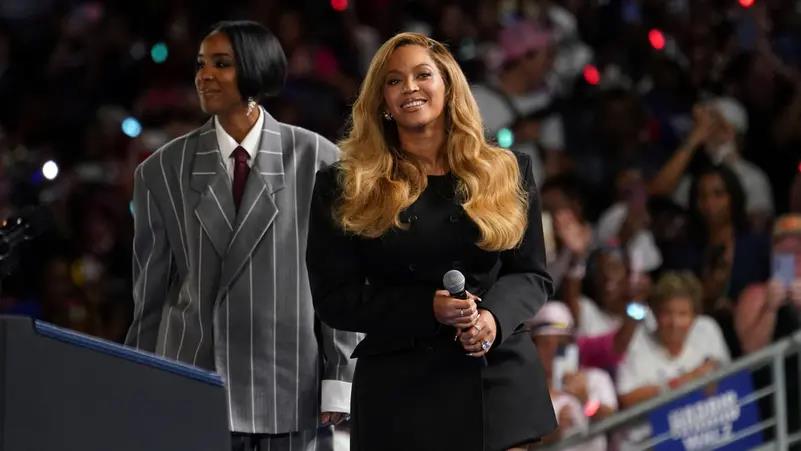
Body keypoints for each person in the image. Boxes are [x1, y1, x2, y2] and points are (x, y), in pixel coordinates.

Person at [306, 32, 555, 451]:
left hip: (494, 378)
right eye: (394, 81)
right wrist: (427, 308)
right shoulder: (345, 185)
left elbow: (531, 274)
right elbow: (334, 298)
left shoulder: (508, 171)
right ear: (381, 101)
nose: (410, 88)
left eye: (423, 74)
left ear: (448, 85)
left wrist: (492, 319)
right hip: (400, 389)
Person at [125, 21, 358, 451]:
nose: (204, 75)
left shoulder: (318, 160)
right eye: (200, 64)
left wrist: (339, 379)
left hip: (287, 387)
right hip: (191, 381)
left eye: (221, 64)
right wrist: (139, 382)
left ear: (256, 70)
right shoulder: (160, 170)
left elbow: (341, 283)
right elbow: (150, 298)